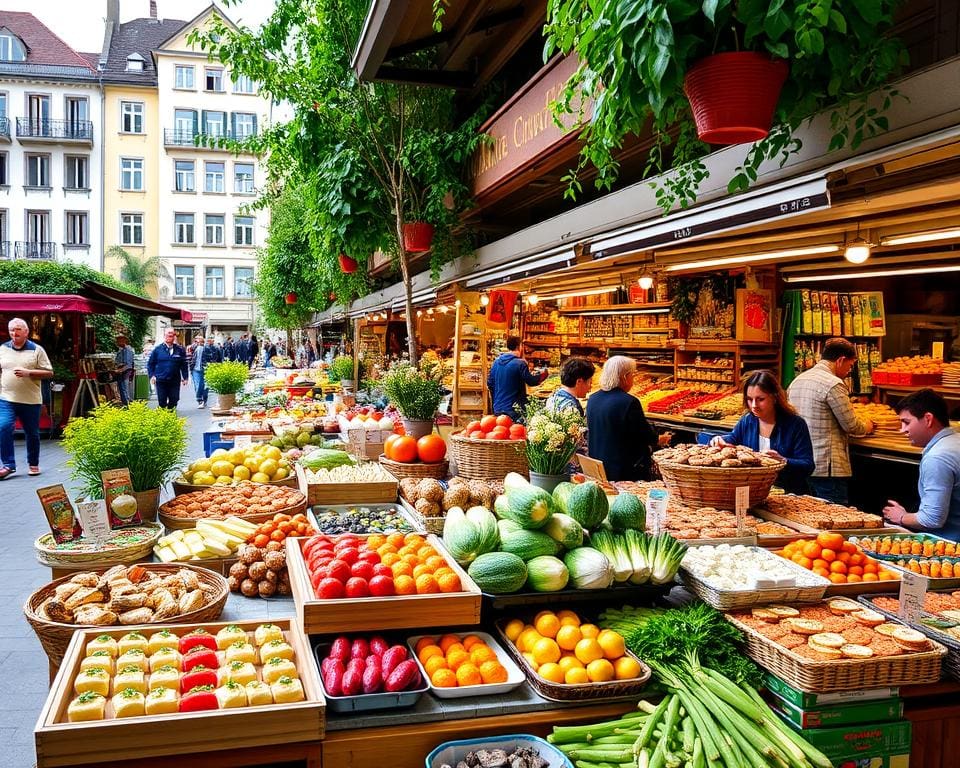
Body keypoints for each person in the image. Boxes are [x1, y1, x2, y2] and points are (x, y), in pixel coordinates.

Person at [787, 337, 875, 504]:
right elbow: (851, 425)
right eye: (850, 365)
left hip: (802, 463)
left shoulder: (798, 380)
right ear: (840, 360)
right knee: (833, 518)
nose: (849, 371)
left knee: (808, 517)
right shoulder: (834, 384)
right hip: (827, 467)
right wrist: (868, 426)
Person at [699, 369, 814, 495]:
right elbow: (733, 439)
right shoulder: (747, 421)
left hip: (788, 494)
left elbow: (807, 465)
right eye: (749, 399)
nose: (754, 405)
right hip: (752, 492)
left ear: (774, 397)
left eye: (760, 399)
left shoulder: (795, 425)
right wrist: (719, 440)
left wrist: (783, 460)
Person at [882, 389, 960, 539]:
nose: (902, 430)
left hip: (950, 546)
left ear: (928, 419)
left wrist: (901, 517)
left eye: (906, 422)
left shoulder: (937, 457)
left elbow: (932, 519)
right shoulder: (955, 441)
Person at [586, 356, 667, 481]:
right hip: (624, 471)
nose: (633, 379)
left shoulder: (593, 399)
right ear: (624, 377)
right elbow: (645, 436)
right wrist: (661, 439)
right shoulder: (629, 402)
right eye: (632, 375)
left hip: (598, 467)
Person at [0, 317, 54, 480]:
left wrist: (28, 373)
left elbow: (49, 372)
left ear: (26, 332)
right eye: (11, 330)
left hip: (30, 400)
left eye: (17, 329)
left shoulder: (37, 350)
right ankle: (8, 465)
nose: (13, 333)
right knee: (3, 427)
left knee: (32, 433)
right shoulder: (2, 348)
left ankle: (33, 463)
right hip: (6, 398)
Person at [487, 336, 548, 421]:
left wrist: (497, 402)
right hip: (514, 409)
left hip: (498, 408)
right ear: (519, 346)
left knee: (501, 431)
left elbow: (490, 383)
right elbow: (531, 381)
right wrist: (544, 374)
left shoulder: (496, 362)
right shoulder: (520, 363)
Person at [147, 328, 189, 410]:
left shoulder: (180, 350)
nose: (170, 336)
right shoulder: (157, 349)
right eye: (168, 335)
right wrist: (152, 376)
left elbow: (183, 364)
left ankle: (171, 415)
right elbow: (150, 364)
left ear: (174, 337)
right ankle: (163, 416)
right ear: (164, 336)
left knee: (174, 399)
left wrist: (185, 377)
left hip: (174, 380)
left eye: (171, 335)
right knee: (162, 401)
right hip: (161, 379)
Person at [112, 334, 135, 406]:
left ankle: (127, 405)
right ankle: (125, 403)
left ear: (124, 340)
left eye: (119, 340)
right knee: (122, 388)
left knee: (124, 388)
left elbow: (128, 364)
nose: (117, 342)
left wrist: (119, 370)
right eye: (117, 340)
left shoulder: (127, 350)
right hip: (121, 372)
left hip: (125, 372)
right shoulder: (121, 350)